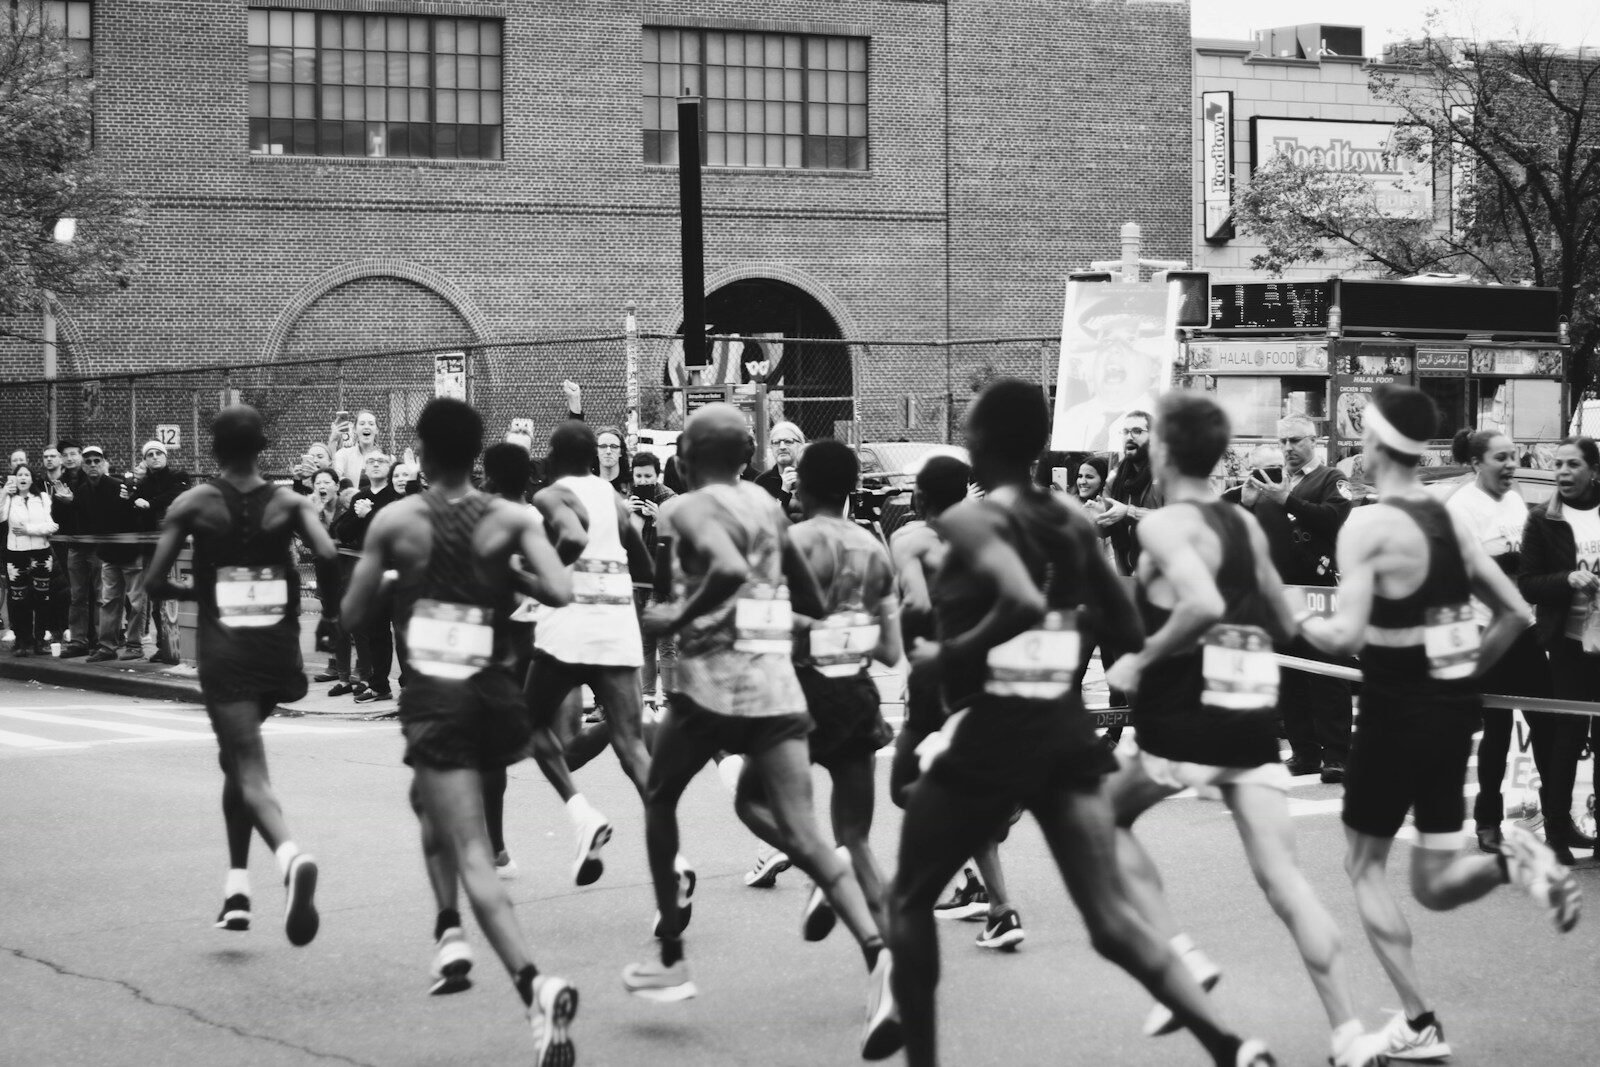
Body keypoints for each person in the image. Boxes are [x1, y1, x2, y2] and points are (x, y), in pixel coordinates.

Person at [889, 378, 1274, 1067]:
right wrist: (1072, 634)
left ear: (980, 440)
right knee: (1108, 919)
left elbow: (1012, 600)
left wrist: (949, 649)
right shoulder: (1070, 519)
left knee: (910, 897)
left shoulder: (971, 521)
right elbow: (1124, 620)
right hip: (1064, 732)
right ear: (1039, 444)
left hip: (990, 731)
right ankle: (1228, 1044)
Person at [1103, 393, 1387, 1067]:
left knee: (1097, 817)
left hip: (1182, 713)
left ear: (1163, 452)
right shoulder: (1248, 526)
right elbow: (1286, 617)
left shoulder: (1165, 527)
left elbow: (1200, 602)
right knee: (1285, 880)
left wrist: (1140, 656)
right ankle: (1348, 1031)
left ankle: (1178, 951)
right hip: (1250, 714)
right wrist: (1350, 641)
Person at [1297, 385, 1580, 1062]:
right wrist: (1459, 678)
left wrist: (1288, 619)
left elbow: (1342, 635)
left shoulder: (1367, 524)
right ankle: (1516, 860)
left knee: (1362, 863)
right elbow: (1512, 612)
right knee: (1433, 882)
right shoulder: (1448, 515)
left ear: (1373, 442)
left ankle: (1419, 1020)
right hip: (1452, 712)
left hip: (1396, 713)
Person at [625, 403, 901, 1061]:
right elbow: (807, 599)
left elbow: (721, 568)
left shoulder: (683, 509)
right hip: (778, 688)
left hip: (710, 687)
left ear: (687, 457)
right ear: (749, 457)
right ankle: (878, 955)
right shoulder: (771, 509)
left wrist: (672, 616)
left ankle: (671, 952)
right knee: (810, 833)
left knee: (660, 797)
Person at [341, 398, 580, 1062]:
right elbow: (560, 588)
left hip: (435, 697)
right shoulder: (509, 515)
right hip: (496, 691)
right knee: (430, 802)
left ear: (420, 452)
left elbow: (352, 609)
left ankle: (536, 985)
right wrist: (510, 571)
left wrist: (391, 577)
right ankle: (447, 931)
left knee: (470, 846)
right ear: (477, 453)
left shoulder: (398, 518)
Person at [145, 405, 334, 947]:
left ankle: (290, 857)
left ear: (213, 449)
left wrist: (199, 592)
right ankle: (236, 893)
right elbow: (325, 554)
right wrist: (332, 623)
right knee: (235, 761)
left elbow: (155, 581)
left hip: (226, 652)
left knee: (247, 766)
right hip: (277, 651)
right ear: (263, 447)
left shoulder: (194, 502)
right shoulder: (290, 501)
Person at [737, 439, 902, 940]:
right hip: (855, 693)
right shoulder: (875, 548)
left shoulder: (792, 542)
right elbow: (892, 650)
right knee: (856, 838)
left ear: (800, 486)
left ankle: (823, 865)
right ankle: (894, 964)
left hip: (797, 694)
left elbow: (757, 622)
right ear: (852, 489)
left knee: (750, 801)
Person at [886, 454, 1026, 948]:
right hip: (983, 669)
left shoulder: (909, 537)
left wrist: (912, 654)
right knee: (963, 791)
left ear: (917, 497)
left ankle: (989, 881)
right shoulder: (985, 536)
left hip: (938, 672)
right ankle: (995, 903)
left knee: (905, 788)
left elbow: (917, 601)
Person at [523, 421, 661, 889]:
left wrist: (535, 572)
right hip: (616, 622)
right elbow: (644, 563)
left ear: (553, 457)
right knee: (632, 746)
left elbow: (571, 541)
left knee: (529, 723)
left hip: (567, 625)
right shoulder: (612, 496)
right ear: (592, 457)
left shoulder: (550, 495)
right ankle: (674, 860)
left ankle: (582, 816)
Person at [1444, 429, 1564, 855]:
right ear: (1477, 463)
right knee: (1495, 732)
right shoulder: (1460, 507)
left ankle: (1557, 820)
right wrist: (1506, 565)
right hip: (1488, 631)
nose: (1510, 465)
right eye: (1501, 458)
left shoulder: (1514, 500)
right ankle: (1487, 823)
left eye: (1513, 457)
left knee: (1546, 726)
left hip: (1526, 629)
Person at [1243, 414, 1355, 782]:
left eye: (1295, 440)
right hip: (1281, 594)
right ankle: (1303, 751)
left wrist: (1286, 499)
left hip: (1320, 593)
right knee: (1289, 675)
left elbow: (1332, 519)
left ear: (1314, 440)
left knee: (1327, 676)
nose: (1288, 448)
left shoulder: (1331, 479)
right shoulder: (1275, 482)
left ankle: (1336, 755)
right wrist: (1248, 504)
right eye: (1283, 442)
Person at [1518, 435, 1600, 863]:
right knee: (1566, 736)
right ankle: (1556, 831)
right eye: (1560, 465)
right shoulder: (1542, 519)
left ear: (1594, 472)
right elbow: (1528, 582)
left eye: (1573, 465)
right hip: (1567, 645)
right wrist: (1567, 579)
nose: (1564, 472)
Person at [333, 451, 403, 703]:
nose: (375, 464)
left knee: (402, 630)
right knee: (376, 631)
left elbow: (395, 532)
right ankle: (379, 685)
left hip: (397, 570)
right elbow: (342, 530)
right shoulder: (360, 497)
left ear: (390, 467)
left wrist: (368, 516)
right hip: (372, 571)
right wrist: (357, 514)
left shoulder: (397, 495)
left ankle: (408, 685)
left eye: (381, 461)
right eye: (371, 461)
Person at [71, 446, 148, 663]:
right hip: (108, 555)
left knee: (136, 601)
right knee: (109, 601)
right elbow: (85, 523)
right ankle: (107, 646)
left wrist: (129, 499)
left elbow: (136, 516)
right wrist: (67, 503)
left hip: (130, 552)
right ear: (83, 466)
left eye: (97, 460)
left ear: (105, 463)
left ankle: (134, 645)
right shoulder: (83, 491)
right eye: (88, 461)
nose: (93, 465)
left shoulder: (119, 486)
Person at [132, 440, 192, 665]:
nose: (155, 457)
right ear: (145, 460)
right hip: (152, 549)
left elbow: (176, 495)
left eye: (158, 453)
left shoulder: (178, 476)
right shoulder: (143, 483)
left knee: (179, 595)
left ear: (165, 456)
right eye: (150, 454)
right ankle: (164, 647)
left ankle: (183, 645)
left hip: (177, 547)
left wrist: (148, 503)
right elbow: (136, 509)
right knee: (158, 599)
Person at [630, 451, 677, 708]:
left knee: (666, 641)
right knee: (645, 639)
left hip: (662, 577)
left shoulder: (670, 499)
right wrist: (630, 517)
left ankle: (670, 698)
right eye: (639, 476)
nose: (643, 481)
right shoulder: (630, 500)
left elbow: (677, 538)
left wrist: (660, 519)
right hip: (638, 577)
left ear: (657, 475)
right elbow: (628, 543)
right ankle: (648, 697)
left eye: (648, 476)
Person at [306, 469, 354, 693]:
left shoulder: (348, 506)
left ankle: (365, 673)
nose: (321, 486)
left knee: (357, 625)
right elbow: (307, 543)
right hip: (326, 575)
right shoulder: (311, 510)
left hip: (349, 573)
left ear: (337, 485)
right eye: (318, 483)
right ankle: (344, 677)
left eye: (326, 482)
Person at [3, 464, 58, 655]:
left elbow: (52, 525)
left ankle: (40, 640)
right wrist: (4, 492)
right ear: (14, 479)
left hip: (41, 553)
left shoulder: (42, 498)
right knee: (19, 598)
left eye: (26, 474)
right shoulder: (10, 499)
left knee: (42, 597)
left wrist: (29, 530)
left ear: (32, 478)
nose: (23, 478)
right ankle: (22, 640)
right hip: (16, 554)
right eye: (19, 475)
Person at [1097, 411, 1161, 576]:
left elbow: (1177, 520)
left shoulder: (1168, 473)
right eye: (1125, 432)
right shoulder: (1116, 476)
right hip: (1125, 575)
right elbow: (1105, 529)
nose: (1129, 437)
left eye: (1137, 431)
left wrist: (1128, 511)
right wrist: (1097, 517)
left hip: (1161, 577)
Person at [53, 439, 98, 656]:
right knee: (77, 595)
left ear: (80, 456)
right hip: (74, 546)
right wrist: (62, 503)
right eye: (66, 455)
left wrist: (73, 501)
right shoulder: (60, 482)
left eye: (73, 454)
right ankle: (79, 640)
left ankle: (100, 639)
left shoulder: (91, 477)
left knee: (100, 594)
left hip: (96, 544)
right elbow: (57, 517)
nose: (70, 458)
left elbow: (94, 510)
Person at [40, 444, 70, 643]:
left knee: (67, 585)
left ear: (60, 460)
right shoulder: (38, 484)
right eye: (46, 456)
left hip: (64, 540)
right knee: (47, 585)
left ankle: (67, 626)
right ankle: (51, 627)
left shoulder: (68, 483)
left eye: (53, 456)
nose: (49, 459)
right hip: (44, 540)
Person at [755, 420, 806, 515]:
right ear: (771, 447)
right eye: (776, 442)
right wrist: (784, 491)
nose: (782, 447)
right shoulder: (762, 482)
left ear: (800, 445)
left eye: (788, 441)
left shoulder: (811, 478)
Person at [594, 426, 631, 495]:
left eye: (614, 446)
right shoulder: (588, 483)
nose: (608, 451)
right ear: (596, 451)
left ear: (621, 452)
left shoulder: (632, 484)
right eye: (603, 446)